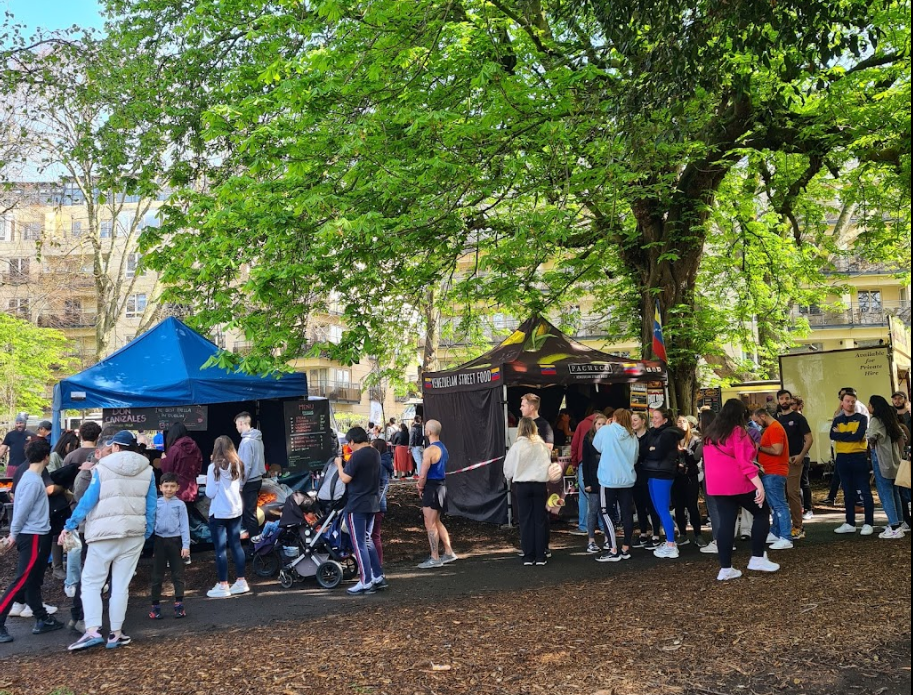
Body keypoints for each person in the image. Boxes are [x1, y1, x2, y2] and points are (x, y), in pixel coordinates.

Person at [61, 430, 156, 651]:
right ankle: (116, 633)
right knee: (121, 586)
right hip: (134, 533)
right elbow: (151, 505)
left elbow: (87, 501)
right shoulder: (148, 470)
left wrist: (70, 524)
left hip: (103, 533)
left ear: (115, 446)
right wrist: (146, 531)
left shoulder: (102, 468)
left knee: (92, 583)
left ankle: (93, 630)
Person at [703, 399, 780, 580]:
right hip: (739, 483)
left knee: (726, 524)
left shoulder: (709, 435)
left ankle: (725, 567)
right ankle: (757, 557)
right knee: (761, 512)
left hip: (717, 486)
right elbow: (745, 462)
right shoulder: (738, 432)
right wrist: (758, 485)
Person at [0, 439, 65, 644]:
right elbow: (21, 511)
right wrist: (13, 534)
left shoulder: (30, 477)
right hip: (33, 535)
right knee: (21, 580)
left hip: (36, 533)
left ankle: (42, 618)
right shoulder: (32, 480)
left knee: (33, 579)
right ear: (46, 457)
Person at [335, 427, 387, 594]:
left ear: (352, 441)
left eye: (348, 444)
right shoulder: (374, 452)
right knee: (367, 539)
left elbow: (345, 478)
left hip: (356, 503)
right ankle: (378, 575)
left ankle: (365, 580)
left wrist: (338, 465)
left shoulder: (357, 455)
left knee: (359, 543)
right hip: (372, 502)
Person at [204, 436, 249, 599]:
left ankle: (223, 584)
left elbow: (210, 493)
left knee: (220, 549)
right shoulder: (237, 464)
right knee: (236, 545)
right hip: (236, 510)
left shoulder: (213, 467)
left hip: (219, 512)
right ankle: (241, 581)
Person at [503, 417, 551, 565]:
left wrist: (510, 476)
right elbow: (547, 465)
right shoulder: (542, 445)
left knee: (525, 520)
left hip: (522, 485)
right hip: (539, 485)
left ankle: (528, 555)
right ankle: (540, 555)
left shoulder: (517, 447)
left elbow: (508, 469)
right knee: (539, 520)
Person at [593, 409, 639, 563]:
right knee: (626, 513)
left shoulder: (606, 430)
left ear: (614, 418)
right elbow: (635, 457)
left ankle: (613, 549)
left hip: (608, 479)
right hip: (627, 478)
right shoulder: (633, 436)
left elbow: (597, 447)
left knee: (605, 512)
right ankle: (626, 547)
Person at [640, 408, 683, 559]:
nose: (654, 420)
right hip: (654, 472)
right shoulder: (656, 432)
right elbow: (644, 450)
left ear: (665, 419)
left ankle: (671, 544)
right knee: (659, 509)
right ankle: (669, 540)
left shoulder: (667, 434)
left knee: (663, 509)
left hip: (662, 474)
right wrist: (650, 450)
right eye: (653, 417)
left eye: (656, 417)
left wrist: (651, 451)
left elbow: (656, 453)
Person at [830, 390, 874, 535]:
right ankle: (850, 522)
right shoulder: (837, 419)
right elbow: (832, 434)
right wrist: (850, 434)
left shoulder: (862, 418)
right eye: (848, 401)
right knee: (847, 491)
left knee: (864, 490)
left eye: (853, 401)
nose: (850, 404)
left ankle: (868, 523)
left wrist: (842, 435)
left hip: (858, 456)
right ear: (842, 403)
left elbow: (859, 436)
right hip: (842, 457)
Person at [416, 419, 458, 568]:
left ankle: (435, 557)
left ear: (428, 432)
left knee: (430, 523)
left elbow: (423, 473)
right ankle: (448, 552)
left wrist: (420, 487)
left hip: (432, 488)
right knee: (437, 521)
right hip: (441, 487)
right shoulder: (443, 448)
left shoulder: (430, 450)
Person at [149, 473, 190, 619]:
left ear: (177, 487)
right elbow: (151, 522)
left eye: (172, 486)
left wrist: (186, 545)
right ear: (160, 487)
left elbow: (184, 525)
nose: (169, 489)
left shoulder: (180, 505)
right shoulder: (156, 503)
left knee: (177, 574)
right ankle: (155, 606)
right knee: (157, 575)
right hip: (160, 541)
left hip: (175, 541)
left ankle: (179, 604)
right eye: (166, 486)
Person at [752, 409, 793, 550]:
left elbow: (777, 450)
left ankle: (786, 536)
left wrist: (759, 448)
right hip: (771, 471)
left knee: (779, 505)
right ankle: (777, 532)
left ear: (762, 416)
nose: (757, 424)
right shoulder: (772, 428)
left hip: (774, 471)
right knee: (775, 505)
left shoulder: (775, 428)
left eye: (757, 421)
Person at [866, 395, 905, 539]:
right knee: (895, 492)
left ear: (874, 407)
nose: (868, 407)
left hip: (882, 459)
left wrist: (871, 446)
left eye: (869, 404)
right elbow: (903, 437)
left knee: (885, 492)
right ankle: (899, 523)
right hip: (895, 460)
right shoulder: (891, 420)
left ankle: (894, 527)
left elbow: (871, 437)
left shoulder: (875, 420)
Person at [776, 392, 814, 535]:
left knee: (793, 492)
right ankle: (783, 526)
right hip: (779, 462)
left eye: (787, 398)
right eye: (781, 398)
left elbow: (809, 439)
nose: (784, 401)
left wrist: (801, 455)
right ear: (778, 401)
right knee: (781, 493)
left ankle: (798, 526)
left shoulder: (799, 418)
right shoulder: (776, 420)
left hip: (794, 460)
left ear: (791, 400)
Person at [630, 411, 662, 549]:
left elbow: (650, 453)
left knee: (651, 505)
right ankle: (643, 533)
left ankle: (655, 534)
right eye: (632, 420)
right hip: (635, 475)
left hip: (648, 474)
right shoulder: (630, 437)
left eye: (635, 420)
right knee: (639, 506)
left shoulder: (650, 436)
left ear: (643, 421)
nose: (633, 423)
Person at [673, 415, 705, 547]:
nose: (681, 424)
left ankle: (698, 534)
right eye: (678, 422)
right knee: (678, 507)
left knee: (692, 506)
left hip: (690, 476)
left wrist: (686, 452)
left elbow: (696, 459)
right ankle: (682, 534)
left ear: (689, 425)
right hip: (676, 477)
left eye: (683, 421)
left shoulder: (695, 440)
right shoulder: (672, 440)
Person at [234, 412, 266, 542]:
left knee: (249, 514)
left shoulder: (246, 442)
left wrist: (240, 484)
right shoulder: (258, 439)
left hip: (249, 482)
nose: (237, 428)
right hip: (257, 479)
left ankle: (254, 545)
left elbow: (245, 466)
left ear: (241, 423)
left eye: (237, 425)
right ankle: (254, 543)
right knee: (250, 513)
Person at [579, 414, 608, 553]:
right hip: (593, 478)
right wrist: (587, 482)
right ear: (594, 426)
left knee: (607, 510)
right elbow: (585, 462)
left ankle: (608, 538)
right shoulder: (588, 439)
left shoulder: (609, 439)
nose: (601, 426)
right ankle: (591, 540)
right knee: (593, 509)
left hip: (607, 479)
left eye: (603, 424)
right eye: (598, 424)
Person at [160, 422, 203, 507]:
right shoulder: (196, 449)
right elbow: (198, 469)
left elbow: (167, 472)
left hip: (177, 491)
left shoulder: (174, 449)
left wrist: (163, 460)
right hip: (192, 491)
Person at [369, 439, 394, 565]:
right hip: (379, 503)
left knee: (373, 536)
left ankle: (376, 563)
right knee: (375, 535)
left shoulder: (379, 465)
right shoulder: (385, 462)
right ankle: (377, 563)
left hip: (375, 503)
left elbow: (375, 484)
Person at [1, 414, 35, 479]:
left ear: (25, 423)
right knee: (10, 484)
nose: (19, 425)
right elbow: (2, 449)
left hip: (27, 466)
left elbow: (36, 451)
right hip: (12, 466)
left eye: (21, 423)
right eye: (17, 423)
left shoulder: (32, 435)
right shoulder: (10, 435)